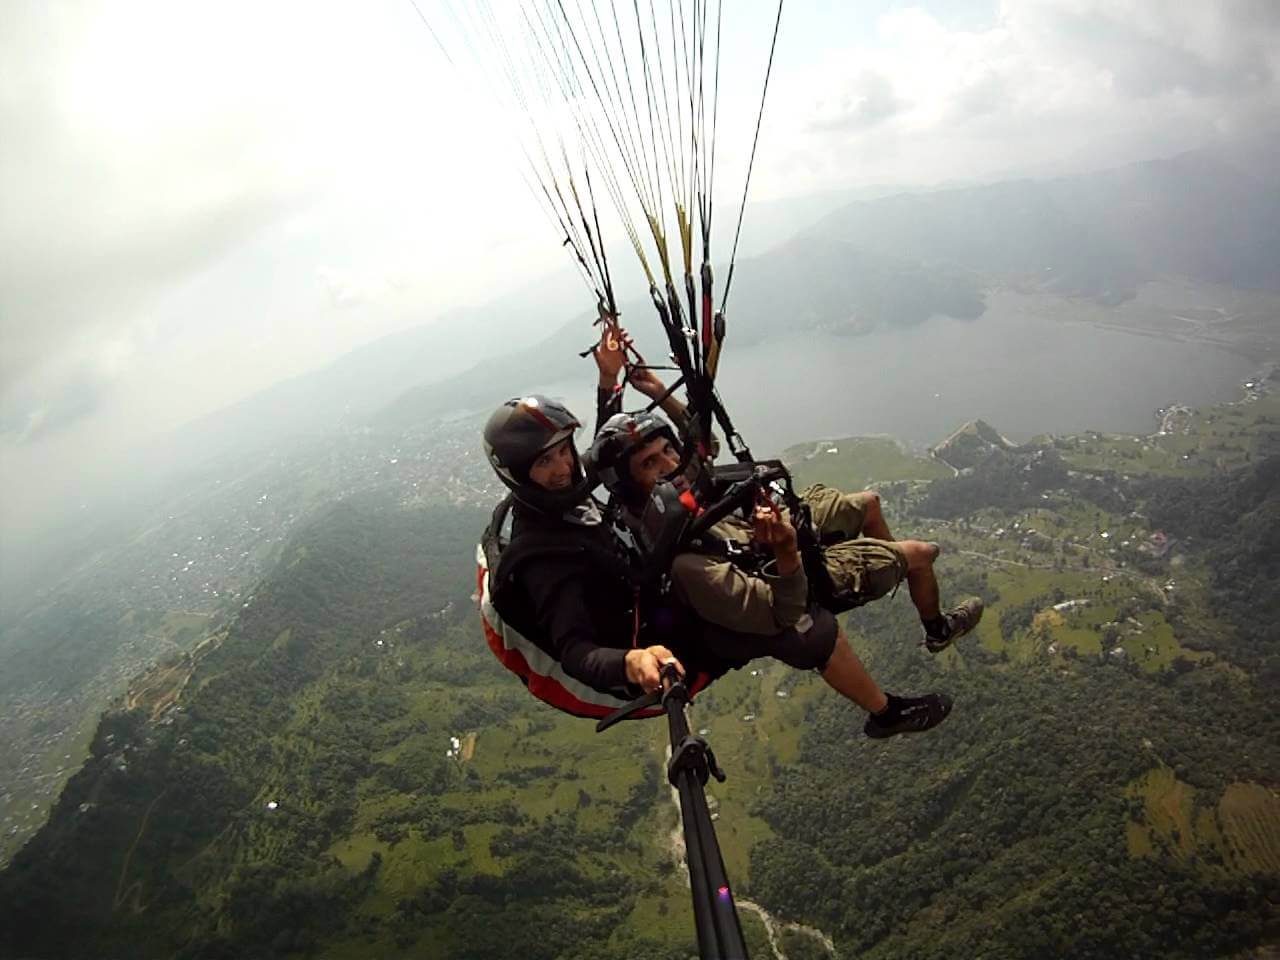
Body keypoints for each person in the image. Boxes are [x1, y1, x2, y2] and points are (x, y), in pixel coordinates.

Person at [587, 329, 980, 737]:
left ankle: (902, 591)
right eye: (650, 463)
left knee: (869, 503)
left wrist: (656, 392)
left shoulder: (670, 490)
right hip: (772, 576)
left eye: (667, 450)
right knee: (922, 554)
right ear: (630, 485)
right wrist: (788, 551)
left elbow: (705, 446)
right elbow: (782, 613)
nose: (670, 465)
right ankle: (890, 706)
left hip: (758, 536)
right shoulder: (685, 563)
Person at [479, 394, 841, 719]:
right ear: (518, 475)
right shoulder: (544, 561)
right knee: (811, 632)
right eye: (545, 461)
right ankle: (875, 709)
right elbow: (575, 652)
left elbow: (604, 454)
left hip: (646, 599)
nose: (563, 468)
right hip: (648, 659)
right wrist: (631, 661)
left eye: (563, 450)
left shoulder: (558, 494)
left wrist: (611, 385)